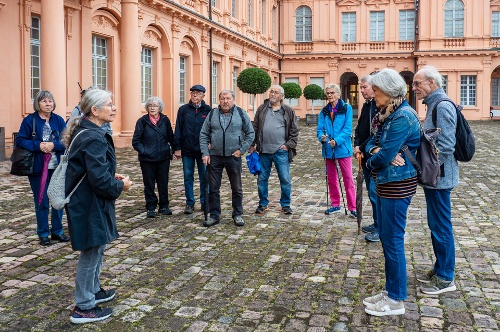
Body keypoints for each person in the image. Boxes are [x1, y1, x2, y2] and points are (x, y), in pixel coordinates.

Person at [62, 88, 132, 324]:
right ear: (95, 110)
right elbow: (100, 182)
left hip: (89, 201)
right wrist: (121, 186)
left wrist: (113, 175)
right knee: (91, 252)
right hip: (88, 203)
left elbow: (95, 171)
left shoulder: (88, 131)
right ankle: (83, 306)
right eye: (110, 104)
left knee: (97, 247)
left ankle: (93, 291)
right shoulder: (92, 136)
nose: (114, 108)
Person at [362, 69, 420, 316]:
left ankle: (396, 299)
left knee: (393, 241)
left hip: (398, 184)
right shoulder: (388, 112)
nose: (373, 94)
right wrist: (375, 153)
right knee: (386, 238)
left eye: (376, 90)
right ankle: (390, 290)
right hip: (387, 182)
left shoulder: (403, 116)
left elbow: (384, 154)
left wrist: (374, 157)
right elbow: (370, 143)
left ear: (388, 90)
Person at [412, 66, 458, 295]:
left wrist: (429, 168)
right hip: (435, 178)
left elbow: (447, 145)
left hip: (440, 178)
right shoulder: (434, 105)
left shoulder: (442, 106)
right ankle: (441, 267)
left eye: (417, 84)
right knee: (436, 224)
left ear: (431, 82)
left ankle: (446, 277)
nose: (414, 88)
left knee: (441, 226)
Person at [15, 90, 70, 246]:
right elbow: (20, 141)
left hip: (57, 167)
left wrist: (54, 145)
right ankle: (43, 233)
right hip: (38, 168)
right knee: (42, 200)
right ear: (37, 103)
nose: (48, 104)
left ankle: (57, 231)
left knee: (58, 200)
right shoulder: (30, 121)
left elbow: (67, 141)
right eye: (44, 101)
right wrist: (38, 145)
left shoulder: (59, 120)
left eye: (50, 101)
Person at [199, 90, 255, 227]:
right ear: (219, 100)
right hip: (215, 157)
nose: (225, 101)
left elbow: (250, 133)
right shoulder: (212, 114)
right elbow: (203, 134)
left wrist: (241, 150)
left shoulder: (241, 114)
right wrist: (205, 153)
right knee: (213, 188)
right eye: (223, 98)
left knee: (236, 188)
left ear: (233, 99)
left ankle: (237, 214)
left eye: (228, 98)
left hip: (233, 156)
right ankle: (214, 215)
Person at [249, 85, 299, 215]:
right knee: (262, 178)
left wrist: (288, 145)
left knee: (285, 178)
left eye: (276, 92)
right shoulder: (262, 109)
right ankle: (263, 204)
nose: (272, 94)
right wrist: (252, 144)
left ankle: (286, 204)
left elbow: (294, 131)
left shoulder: (288, 111)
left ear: (282, 96)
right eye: (271, 91)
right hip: (264, 151)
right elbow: (255, 127)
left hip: (281, 151)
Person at [316, 83, 357, 218]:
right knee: (332, 179)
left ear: (338, 94)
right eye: (328, 93)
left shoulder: (347, 108)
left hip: (343, 149)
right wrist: (321, 137)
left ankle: (353, 207)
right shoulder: (324, 111)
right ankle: (335, 204)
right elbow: (320, 129)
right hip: (328, 149)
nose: (330, 95)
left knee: (348, 179)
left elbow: (348, 129)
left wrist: (337, 140)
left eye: (332, 93)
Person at [132, 96, 175, 218]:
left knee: (163, 182)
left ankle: (164, 206)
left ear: (159, 108)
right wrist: (144, 151)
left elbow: (170, 137)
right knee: (149, 183)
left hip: (163, 157)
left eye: (155, 106)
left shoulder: (165, 120)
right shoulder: (142, 121)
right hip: (147, 159)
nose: (152, 108)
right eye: (150, 105)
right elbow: (136, 140)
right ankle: (151, 207)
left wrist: (173, 150)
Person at [174, 85, 212, 214]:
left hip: (203, 150)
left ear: (203, 95)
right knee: (188, 176)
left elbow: (212, 129)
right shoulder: (183, 110)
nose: (194, 95)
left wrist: (210, 144)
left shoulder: (208, 110)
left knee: (204, 177)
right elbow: (178, 128)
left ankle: (204, 201)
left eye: (197, 93)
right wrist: (177, 148)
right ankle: (189, 203)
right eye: (193, 93)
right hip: (187, 149)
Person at [354, 75, 380, 242]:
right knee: (371, 192)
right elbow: (359, 129)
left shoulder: (380, 106)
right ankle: (377, 223)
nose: (361, 90)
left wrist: (362, 147)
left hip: (376, 156)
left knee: (376, 193)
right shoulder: (366, 105)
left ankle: (381, 228)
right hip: (365, 156)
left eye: (365, 87)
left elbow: (376, 134)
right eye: (360, 87)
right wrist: (356, 146)